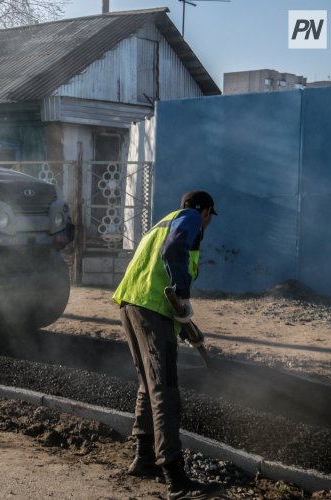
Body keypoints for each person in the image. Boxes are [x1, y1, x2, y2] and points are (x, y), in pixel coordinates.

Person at [112, 191, 223, 500]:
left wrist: (185, 326)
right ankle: (176, 479)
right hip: (150, 308)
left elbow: (157, 267)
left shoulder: (163, 221)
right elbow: (174, 252)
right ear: (205, 211)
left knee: (148, 384)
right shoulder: (189, 218)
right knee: (165, 388)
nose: (209, 222)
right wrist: (183, 294)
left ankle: (144, 458)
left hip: (131, 303)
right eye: (211, 216)